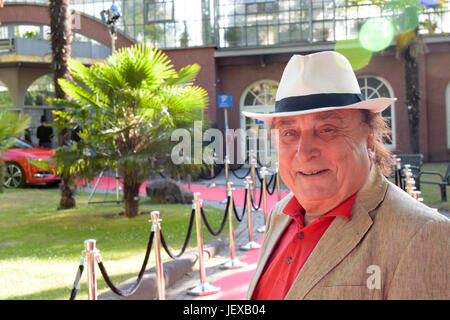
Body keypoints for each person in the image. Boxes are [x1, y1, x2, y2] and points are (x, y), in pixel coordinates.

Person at [243, 51, 450, 300]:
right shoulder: (280, 214)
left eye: (327, 129)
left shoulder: (423, 235)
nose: (304, 152)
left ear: (370, 140)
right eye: (289, 133)